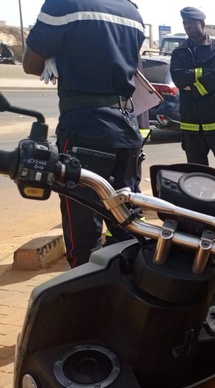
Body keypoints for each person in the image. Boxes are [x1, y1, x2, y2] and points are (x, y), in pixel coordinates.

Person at [22, 0, 145, 268]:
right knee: (126, 221)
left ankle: (88, 302)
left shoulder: (64, 3)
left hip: (85, 127)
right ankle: (128, 296)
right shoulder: (131, 11)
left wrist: (54, 58)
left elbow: (30, 64)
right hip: (126, 127)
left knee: (83, 232)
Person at [170, 7, 215, 186]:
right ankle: (201, 211)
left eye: (192, 23)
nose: (188, 26)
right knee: (196, 172)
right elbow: (178, 78)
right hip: (191, 122)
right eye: (185, 23)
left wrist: (193, 89)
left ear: (202, 24)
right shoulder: (179, 51)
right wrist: (203, 73)